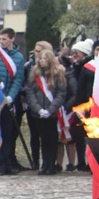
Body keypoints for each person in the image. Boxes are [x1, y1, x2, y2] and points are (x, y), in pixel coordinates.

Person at [0, 28, 25, 175]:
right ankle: (0, 163)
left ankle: (9, 162)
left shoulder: (19, 57)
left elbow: (18, 79)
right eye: (0, 39)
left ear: (12, 39)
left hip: (9, 99)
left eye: (4, 39)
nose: (1, 42)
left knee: (9, 132)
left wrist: (11, 96)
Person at [24, 47, 68, 175]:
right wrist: (38, 109)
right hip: (38, 112)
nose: (42, 61)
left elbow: (61, 93)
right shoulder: (34, 73)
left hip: (52, 112)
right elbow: (30, 92)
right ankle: (44, 164)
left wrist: (50, 109)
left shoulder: (57, 73)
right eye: (41, 59)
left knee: (52, 139)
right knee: (43, 138)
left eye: (45, 59)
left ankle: (51, 164)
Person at [70, 38, 95, 172]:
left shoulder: (89, 68)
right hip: (79, 105)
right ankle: (80, 162)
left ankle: (91, 162)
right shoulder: (75, 67)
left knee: (91, 135)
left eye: (77, 53)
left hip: (89, 105)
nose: (74, 56)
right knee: (78, 135)